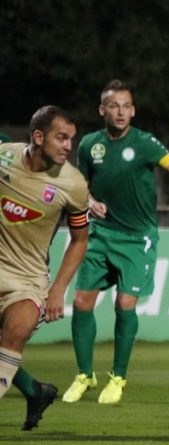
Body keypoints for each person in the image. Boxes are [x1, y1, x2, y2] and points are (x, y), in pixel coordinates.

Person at [62, 80, 169, 405]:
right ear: (102, 110)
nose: (121, 112)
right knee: (80, 303)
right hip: (101, 235)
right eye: (114, 106)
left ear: (133, 110)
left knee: (124, 304)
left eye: (126, 106)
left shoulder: (146, 143)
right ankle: (84, 375)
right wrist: (90, 200)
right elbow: (81, 186)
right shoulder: (89, 145)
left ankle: (118, 377)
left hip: (138, 240)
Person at [1, 106, 89, 429]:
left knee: (16, 330)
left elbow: (80, 240)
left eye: (71, 139)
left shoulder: (74, 185)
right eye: (61, 138)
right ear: (38, 137)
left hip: (27, 280)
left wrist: (57, 290)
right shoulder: (4, 157)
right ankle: (35, 391)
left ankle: (34, 390)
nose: (68, 145)